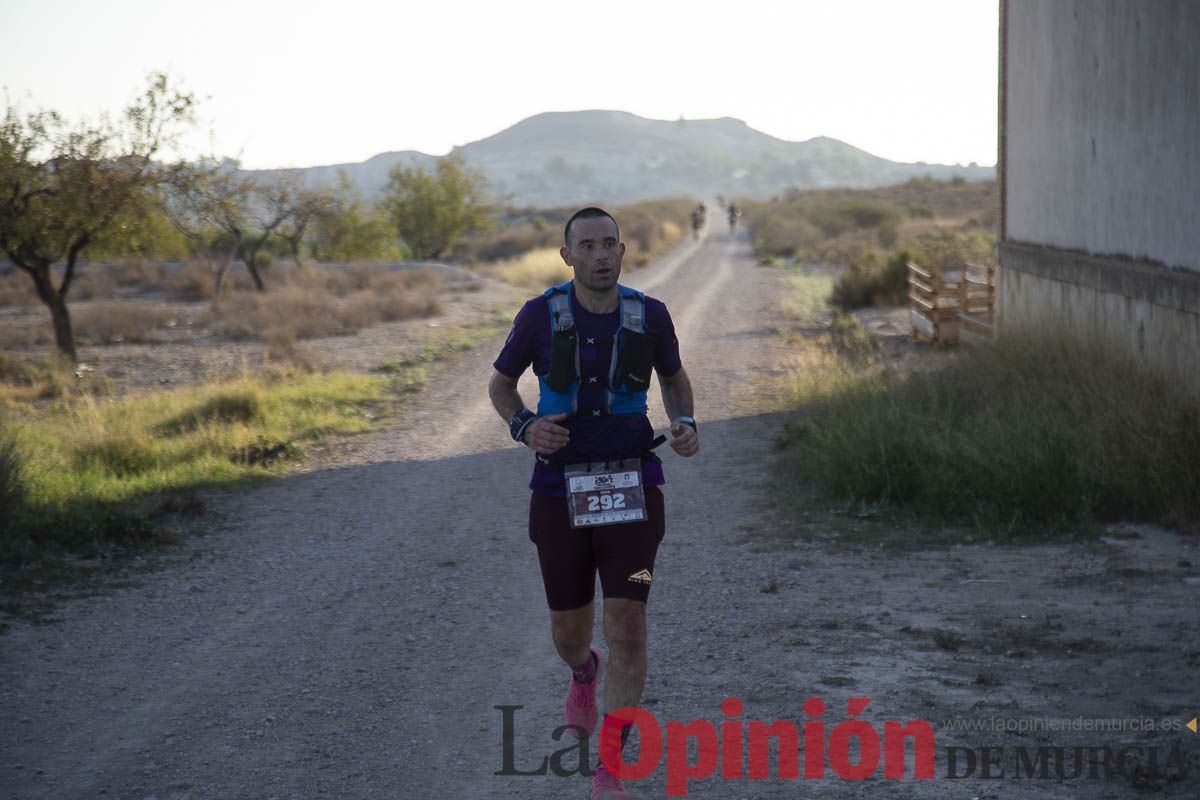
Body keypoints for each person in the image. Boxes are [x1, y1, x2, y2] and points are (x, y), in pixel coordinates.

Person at [489, 207, 700, 799]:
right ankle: (584, 671)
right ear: (568, 256)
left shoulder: (650, 314)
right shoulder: (538, 315)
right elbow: (500, 387)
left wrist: (684, 421)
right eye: (588, 246)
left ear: (623, 250)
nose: (601, 255)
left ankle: (611, 768)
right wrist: (525, 427)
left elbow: (676, 379)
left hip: (632, 484)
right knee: (569, 633)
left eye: (610, 244)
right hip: (559, 490)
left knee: (628, 621)